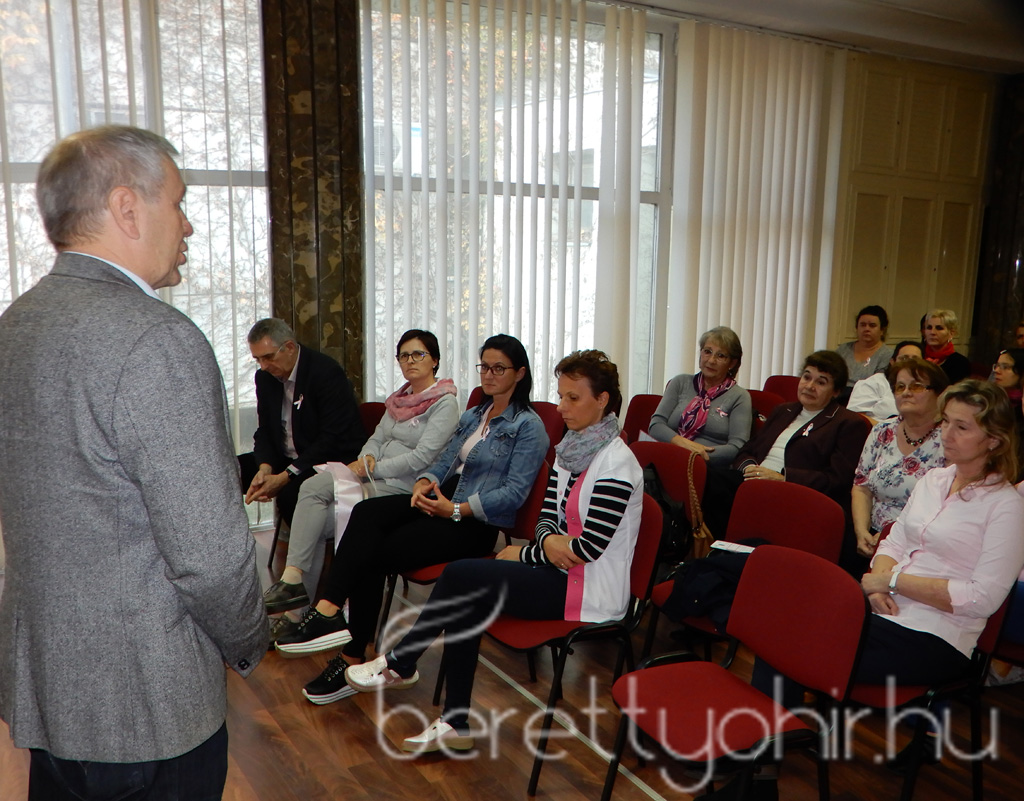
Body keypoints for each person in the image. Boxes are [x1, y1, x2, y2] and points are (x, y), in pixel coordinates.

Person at [0, 126, 267, 799]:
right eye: (178, 203)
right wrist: (249, 640)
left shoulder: (16, 326)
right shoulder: (156, 340)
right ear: (127, 208)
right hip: (147, 705)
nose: (188, 224)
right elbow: (210, 555)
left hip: (49, 688)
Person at [343, 350, 644, 754]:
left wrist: (525, 554)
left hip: (590, 591)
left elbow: (588, 548)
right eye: (561, 396)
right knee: (465, 592)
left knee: (461, 577)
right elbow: (545, 521)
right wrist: (547, 544)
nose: (561, 407)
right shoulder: (571, 450)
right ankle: (452, 719)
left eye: (573, 398)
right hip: (557, 572)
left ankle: (402, 663)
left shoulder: (617, 463)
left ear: (603, 400)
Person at [745, 381, 1024, 799]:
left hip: (936, 636)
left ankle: (762, 768)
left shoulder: (1006, 505)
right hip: (884, 608)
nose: (946, 434)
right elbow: (894, 541)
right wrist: (878, 586)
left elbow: (981, 597)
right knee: (780, 632)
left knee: (792, 646)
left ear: (995, 440)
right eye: (946, 422)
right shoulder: (934, 480)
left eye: (962, 427)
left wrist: (890, 581)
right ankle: (763, 766)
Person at [275, 334, 548, 691]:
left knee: (373, 552)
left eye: (499, 368)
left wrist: (456, 509)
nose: (489, 374)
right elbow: (446, 460)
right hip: (441, 499)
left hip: (473, 521)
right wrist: (424, 481)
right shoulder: (475, 415)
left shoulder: (528, 427)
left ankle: (350, 654)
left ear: (520, 373)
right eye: (485, 367)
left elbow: (513, 494)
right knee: (366, 514)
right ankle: (330, 610)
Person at [263, 330, 460, 636]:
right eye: (403, 356)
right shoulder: (399, 399)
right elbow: (376, 438)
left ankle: (296, 604)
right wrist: (365, 458)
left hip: (404, 486)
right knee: (311, 494)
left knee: (314, 510)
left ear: (434, 360)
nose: (410, 361)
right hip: (374, 475)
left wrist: (371, 469)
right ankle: (294, 598)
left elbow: (422, 457)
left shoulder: (445, 404)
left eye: (418, 354)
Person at [701, 351, 871, 552]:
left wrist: (783, 478)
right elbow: (748, 449)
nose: (809, 386)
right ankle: (711, 549)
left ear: (836, 392)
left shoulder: (848, 423)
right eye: (806, 377)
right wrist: (750, 468)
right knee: (706, 476)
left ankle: (725, 552)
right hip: (754, 480)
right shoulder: (783, 410)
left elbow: (837, 479)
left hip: (795, 491)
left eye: (821, 382)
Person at [241, 317, 366, 524]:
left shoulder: (325, 372)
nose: (263, 366)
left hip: (326, 459)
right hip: (287, 457)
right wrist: (265, 468)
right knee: (230, 471)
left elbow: (331, 439)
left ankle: (307, 546)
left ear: (289, 347)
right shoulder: (264, 378)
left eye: (268, 357)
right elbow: (265, 430)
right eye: (258, 359)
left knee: (291, 495)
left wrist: (285, 476)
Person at [851, 357, 949, 559]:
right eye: (900, 387)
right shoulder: (882, 430)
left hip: (922, 544)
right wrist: (861, 532)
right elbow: (861, 487)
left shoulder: (949, 438)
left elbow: (945, 505)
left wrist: (891, 537)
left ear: (939, 394)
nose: (906, 392)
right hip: (873, 537)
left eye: (916, 386)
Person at [648, 326, 752, 466]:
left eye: (721, 356)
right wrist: (683, 445)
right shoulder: (680, 382)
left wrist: (697, 454)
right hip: (668, 456)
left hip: (707, 466)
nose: (711, 360)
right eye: (707, 352)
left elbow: (737, 447)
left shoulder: (740, 397)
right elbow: (656, 425)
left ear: (732, 363)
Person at [836, 305, 894, 400]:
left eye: (872, 325)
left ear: (882, 330)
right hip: (838, 397)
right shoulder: (843, 349)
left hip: (868, 400)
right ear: (857, 328)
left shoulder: (888, 355)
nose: (867, 329)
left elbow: (878, 386)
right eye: (862, 325)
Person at [922, 309, 971, 385]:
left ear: (951, 333)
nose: (932, 332)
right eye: (929, 327)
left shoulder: (960, 362)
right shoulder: (919, 355)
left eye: (939, 328)